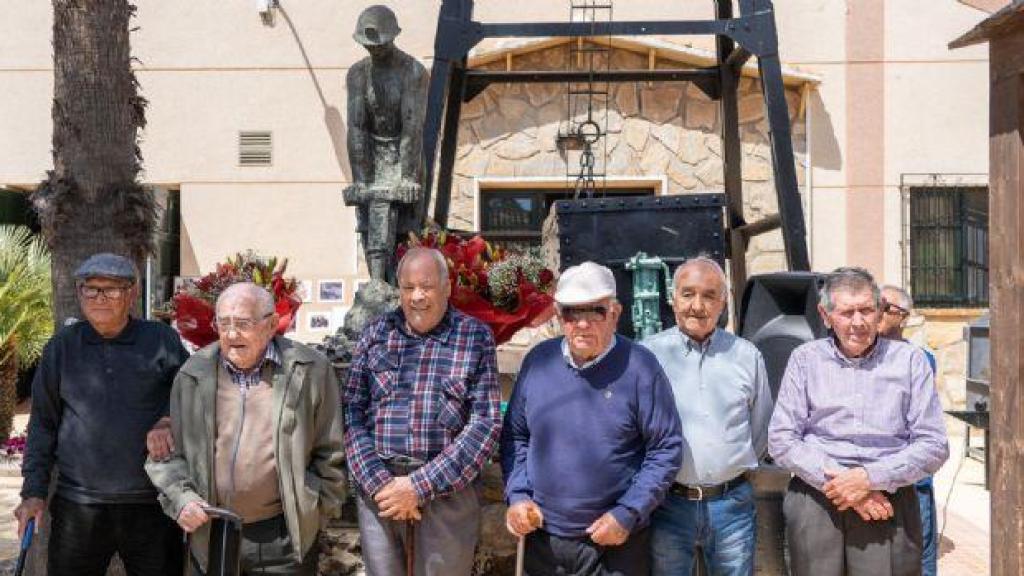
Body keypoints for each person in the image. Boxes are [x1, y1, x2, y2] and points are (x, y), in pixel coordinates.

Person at [146, 282, 345, 575]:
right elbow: (168, 455)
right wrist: (182, 499)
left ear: (271, 324)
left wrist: (314, 512)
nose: (230, 334)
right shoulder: (193, 373)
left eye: (242, 324)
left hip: (284, 536)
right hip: (212, 530)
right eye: (223, 323)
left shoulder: (310, 370)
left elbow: (331, 451)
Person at [501, 261, 683, 576]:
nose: (583, 324)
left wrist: (628, 513)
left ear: (615, 313)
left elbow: (665, 448)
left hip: (615, 545)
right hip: (543, 541)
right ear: (559, 317)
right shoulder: (537, 362)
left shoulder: (641, 367)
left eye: (595, 311)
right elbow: (516, 436)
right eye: (572, 313)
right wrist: (517, 496)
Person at [768, 267, 949, 576]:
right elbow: (781, 439)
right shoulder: (804, 359)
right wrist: (848, 485)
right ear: (825, 315)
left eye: (866, 310)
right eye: (846, 312)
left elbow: (934, 445)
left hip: (888, 504)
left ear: (880, 311)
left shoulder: (909, 361)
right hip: (817, 499)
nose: (858, 322)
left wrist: (869, 478)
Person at [16, 253, 187, 576]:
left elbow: (190, 400)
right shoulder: (62, 347)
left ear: (133, 294)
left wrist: (167, 420)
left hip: (152, 502)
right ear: (79, 294)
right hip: (78, 505)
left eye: (111, 290)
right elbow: (43, 424)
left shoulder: (161, 340)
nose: (99, 298)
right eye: (90, 289)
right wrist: (33, 492)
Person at [344, 247, 502, 576]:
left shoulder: (474, 338)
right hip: (381, 492)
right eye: (408, 287)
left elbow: (484, 424)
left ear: (446, 287)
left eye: (426, 287)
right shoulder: (376, 334)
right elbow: (351, 413)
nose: (417, 296)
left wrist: (418, 486)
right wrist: (380, 484)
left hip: (447, 493)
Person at [642, 257, 771, 576]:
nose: (697, 306)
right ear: (672, 300)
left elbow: (762, 430)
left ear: (723, 302)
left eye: (709, 295)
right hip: (667, 505)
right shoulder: (647, 356)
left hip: (732, 506)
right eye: (688, 294)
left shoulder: (746, 356)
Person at [344, 4, 429, 282]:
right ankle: (376, 288)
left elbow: (412, 128)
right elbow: (357, 127)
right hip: (370, 153)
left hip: (405, 154)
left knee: (405, 231)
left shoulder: (412, 71)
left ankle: (400, 290)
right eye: (369, 45)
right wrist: (360, 180)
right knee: (369, 227)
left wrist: (407, 177)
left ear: (393, 37)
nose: (375, 49)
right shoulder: (358, 74)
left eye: (379, 44)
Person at [878, 284, 938, 576]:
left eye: (886, 307)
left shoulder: (921, 360)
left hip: (912, 483)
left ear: (902, 317)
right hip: (876, 481)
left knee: (917, 562)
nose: (877, 312)